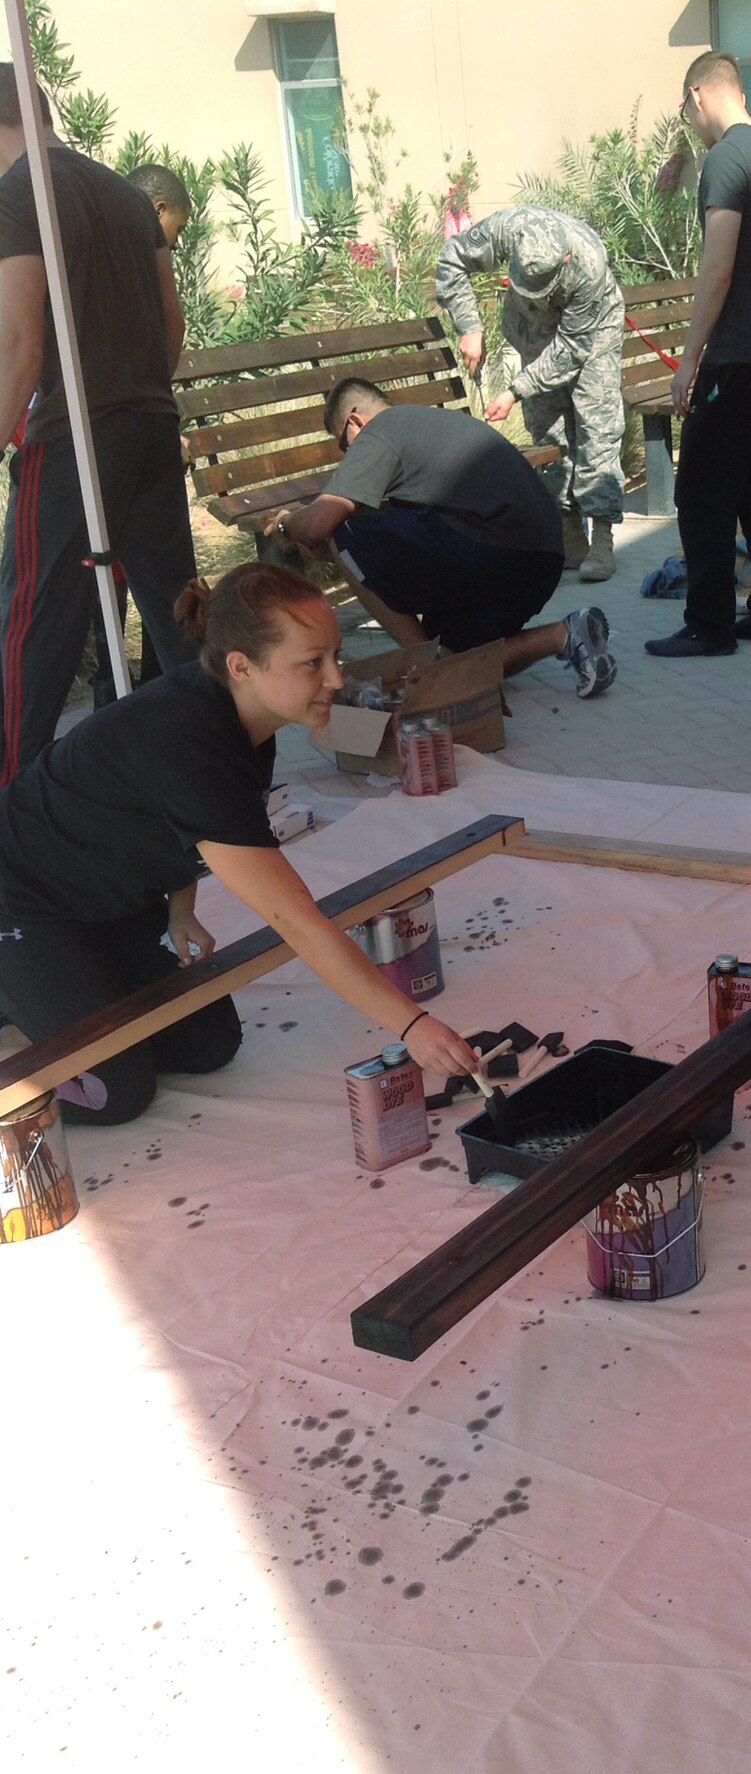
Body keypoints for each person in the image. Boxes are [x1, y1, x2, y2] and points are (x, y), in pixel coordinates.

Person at [0, 563, 482, 1127]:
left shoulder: (244, 718)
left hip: (107, 902)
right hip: (21, 901)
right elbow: (297, 919)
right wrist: (411, 1025)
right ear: (241, 666)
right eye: (311, 663)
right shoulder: (187, 742)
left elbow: (172, 820)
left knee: (209, 1044)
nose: (336, 679)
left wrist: (181, 910)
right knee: (116, 1094)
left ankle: (53, 996)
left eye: (335, 656)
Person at [0, 67, 198, 782]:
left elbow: (20, 347)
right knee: (179, 613)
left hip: (74, 434)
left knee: (32, 626)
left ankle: (11, 803)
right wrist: (137, 390)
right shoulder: (124, 192)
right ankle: (219, 771)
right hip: (147, 421)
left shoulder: (21, 193)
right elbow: (172, 324)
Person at [268, 377, 615, 699]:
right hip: (540, 559)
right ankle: (564, 635)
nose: (349, 455)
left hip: (495, 549)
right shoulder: (428, 426)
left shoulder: (382, 429)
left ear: (355, 421)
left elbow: (318, 524)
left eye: (345, 445)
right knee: (463, 661)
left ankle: (429, 667)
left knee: (344, 532)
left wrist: (286, 526)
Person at [644, 49, 751, 659]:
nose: (689, 122)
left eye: (687, 110)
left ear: (700, 96)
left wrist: (689, 360)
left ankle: (709, 625)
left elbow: (717, 268)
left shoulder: (725, 159)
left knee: (703, 492)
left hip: (733, 358)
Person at [436, 205, 625, 583]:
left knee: (597, 425)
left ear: (565, 260)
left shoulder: (587, 263)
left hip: (592, 332)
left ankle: (602, 533)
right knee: (548, 427)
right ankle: (569, 532)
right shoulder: (510, 229)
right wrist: (470, 326)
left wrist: (514, 391)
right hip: (533, 331)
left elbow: (571, 350)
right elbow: (452, 258)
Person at [90, 162, 195, 711]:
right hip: (119, 429)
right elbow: (169, 334)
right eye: (173, 232)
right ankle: (128, 691)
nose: (171, 247)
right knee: (136, 573)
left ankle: (135, 692)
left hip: (105, 430)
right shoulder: (133, 246)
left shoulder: (93, 240)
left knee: (135, 573)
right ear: (155, 213)